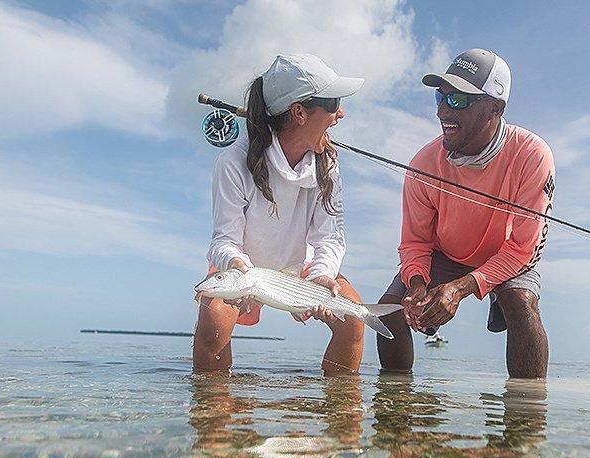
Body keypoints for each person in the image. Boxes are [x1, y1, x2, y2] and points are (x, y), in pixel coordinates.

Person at [377, 49, 555, 378]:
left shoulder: (532, 155)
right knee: (390, 311)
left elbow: (522, 248)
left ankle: (527, 409)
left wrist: (459, 289)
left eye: (458, 99)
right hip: (446, 253)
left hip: (506, 254)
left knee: (521, 303)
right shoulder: (422, 164)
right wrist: (416, 284)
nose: (442, 110)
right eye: (440, 96)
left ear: (495, 108)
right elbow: (415, 242)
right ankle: (397, 403)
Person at [193, 54, 365, 375]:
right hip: (242, 266)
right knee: (213, 322)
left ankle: (341, 405)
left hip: (302, 267)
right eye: (333, 103)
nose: (340, 113)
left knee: (353, 320)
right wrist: (238, 267)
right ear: (299, 112)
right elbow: (224, 240)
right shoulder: (232, 163)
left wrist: (321, 274)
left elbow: (330, 237)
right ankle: (215, 405)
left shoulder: (328, 165)